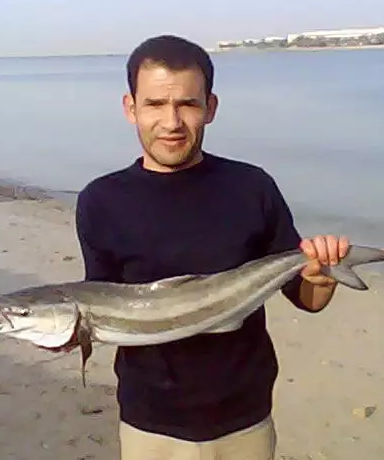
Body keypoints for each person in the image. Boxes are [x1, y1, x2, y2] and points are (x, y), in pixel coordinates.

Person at [74, 34, 350, 460]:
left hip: (244, 417)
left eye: (187, 104)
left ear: (211, 107)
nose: (171, 122)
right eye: (155, 105)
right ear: (131, 108)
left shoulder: (251, 187)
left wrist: (321, 275)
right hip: (149, 420)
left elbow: (306, 298)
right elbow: (102, 303)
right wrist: (66, 330)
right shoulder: (100, 201)